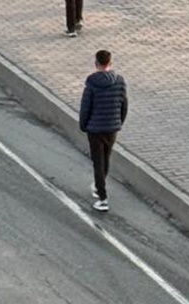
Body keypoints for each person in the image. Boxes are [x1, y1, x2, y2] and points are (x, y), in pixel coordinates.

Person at [78, 49, 128, 213]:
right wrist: (118, 122)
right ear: (110, 63)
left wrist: (83, 124)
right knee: (106, 158)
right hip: (111, 127)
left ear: (96, 63)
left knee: (97, 162)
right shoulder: (119, 81)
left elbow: (86, 106)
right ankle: (99, 186)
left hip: (95, 128)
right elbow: (124, 105)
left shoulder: (92, 81)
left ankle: (102, 197)